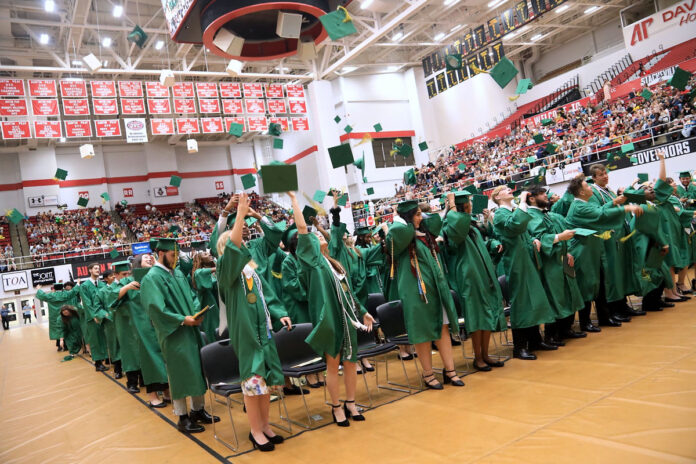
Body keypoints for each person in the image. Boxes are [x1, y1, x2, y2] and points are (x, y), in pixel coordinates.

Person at [288, 191, 375, 425]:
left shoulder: (333, 263)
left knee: (350, 361)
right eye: (315, 236)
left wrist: (363, 311)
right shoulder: (312, 263)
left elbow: (348, 292)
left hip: (346, 319)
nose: (318, 236)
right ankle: (336, 406)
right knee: (333, 364)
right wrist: (295, 201)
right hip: (329, 319)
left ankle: (351, 403)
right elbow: (302, 229)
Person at [216, 193, 291, 451]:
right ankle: (255, 430)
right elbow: (234, 246)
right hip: (246, 333)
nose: (242, 246)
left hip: (264, 330)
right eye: (233, 245)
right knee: (252, 382)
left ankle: (266, 425)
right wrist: (238, 216)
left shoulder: (253, 272)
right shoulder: (226, 273)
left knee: (266, 382)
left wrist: (279, 312)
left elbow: (267, 295)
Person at [140, 238, 220, 434]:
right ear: (160, 253)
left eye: (177, 255)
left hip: (190, 328)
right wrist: (183, 319)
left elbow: (192, 296)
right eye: (172, 255)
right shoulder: (152, 278)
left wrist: (196, 313)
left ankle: (198, 410)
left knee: (196, 369)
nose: (175, 258)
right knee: (179, 373)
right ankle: (182, 417)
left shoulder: (176, 274)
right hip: (174, 332)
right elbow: (155, 308)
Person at [385, 199, 464, 388]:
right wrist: (400, 218)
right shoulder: (400, 237)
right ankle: (428, 374)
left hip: (436, 289)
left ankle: (450, 370)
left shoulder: (424, 234)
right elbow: (399, 231)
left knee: (443, 327)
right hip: (416, 293)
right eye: (418, 214)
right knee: (423, 333)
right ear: (408, 217)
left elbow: (435, 221)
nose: (422, 218)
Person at [564, 175, 644, 333]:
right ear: (580, 192)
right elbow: (601, 216)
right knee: (587, 285)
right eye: (587, 186)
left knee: (599, 283)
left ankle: (604, 316)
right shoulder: (578, 206)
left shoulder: (583, 203)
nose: (590, 188)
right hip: (582, 250)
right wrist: (626, 208)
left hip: (592, 248)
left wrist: (614, 202)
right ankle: (585, 322)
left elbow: (599, 210)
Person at [441, 192, 507, 371]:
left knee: (486, 314)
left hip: (484, 273)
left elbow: (482, 244)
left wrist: (492, 245)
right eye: (468, 203)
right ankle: (478, 358)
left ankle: (485, 354)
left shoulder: (470, 225)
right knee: (477, 317)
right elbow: (457, 230)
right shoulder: (450, 226)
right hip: (469, 277)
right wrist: (452, 205)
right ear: (463, 208)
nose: (471, 204)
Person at [491, 186, 556, 360]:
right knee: (521, 304)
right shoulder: (499, 214)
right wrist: (521, 202)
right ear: (497, 197)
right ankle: (519, 347)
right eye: (504, 190)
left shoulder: (512, 210)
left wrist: (533, 238)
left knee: (532, 300)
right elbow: (515, 226)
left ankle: (535, 340)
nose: (509, 190)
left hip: (526, 259)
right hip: (515, 263)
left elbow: (524, 231)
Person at [525, 186, 586, 343]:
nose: (546, 196)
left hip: (562, 258)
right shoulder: (531, 215)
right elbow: (539, 237)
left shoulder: (548, 214)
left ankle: (566, 329)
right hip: (549, 262)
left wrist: (567, 252)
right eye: (542, 194)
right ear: (531, 198)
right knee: (554, 297)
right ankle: (551, 334)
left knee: (569, 293)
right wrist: (560, 236)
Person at [588, 164, 645, 322]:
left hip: (621, 234)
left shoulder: (609, 190)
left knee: (622, 271)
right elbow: (597, 213)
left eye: (605, 173)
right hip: (608, 238)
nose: (605, 176)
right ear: (594, 178)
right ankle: (614, 308)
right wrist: (614, 203)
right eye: (601, 175)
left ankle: (623, 304)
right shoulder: (593, 192)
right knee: (613, 274)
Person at [107, 260, 144, 394]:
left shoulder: (137, 283)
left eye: (129, 273)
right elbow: (111, 301)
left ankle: (144, 380)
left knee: (142, 350)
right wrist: (127, 287)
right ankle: (132, 382)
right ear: (116, 275)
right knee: (130, 352)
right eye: (123, 274)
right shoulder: (113, 287)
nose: (127, 276)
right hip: (125, 325)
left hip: (139, 322)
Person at [78, 264, 110, 372]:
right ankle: (98, 362)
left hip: (103, 316)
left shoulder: (102, 284)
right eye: (95, 268)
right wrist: (95, 315)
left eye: (99, 268)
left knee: (104, 338)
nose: (98, 270)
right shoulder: (84, 286)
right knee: (95, 340)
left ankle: (106, 358)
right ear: (90, 270)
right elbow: (87, 303)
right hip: (93, 318)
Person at [36, 283, 78, 351]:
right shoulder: (66, 294)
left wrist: (38, 289)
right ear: (62, 288)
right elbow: (73, 291)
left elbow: (42, 295)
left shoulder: (50, 296)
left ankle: (59, 345)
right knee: (66, 328)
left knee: (57, 329)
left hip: (54, 316)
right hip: (64, 314)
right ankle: (67, 345)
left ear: (54, 289)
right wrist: (78, 283)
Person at [191, 250, 220, 344]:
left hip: (219, 301)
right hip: (209, 304)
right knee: (214, 328)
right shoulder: (198, 273)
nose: (209, 254)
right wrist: (217, 268)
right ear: (200, 259)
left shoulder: (213, 268)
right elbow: (200, 273)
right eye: (205, 254)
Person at [99, 270, 122, 379]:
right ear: (105, 279)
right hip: (110, 322)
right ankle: (118, 370)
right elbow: (97, 307)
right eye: (110, 276)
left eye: (114, 275)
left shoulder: (122, 286)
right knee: (114, 345)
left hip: (123, 319)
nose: (113, 277)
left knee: (127, 345)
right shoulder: (102, 291)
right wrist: (105, 314)